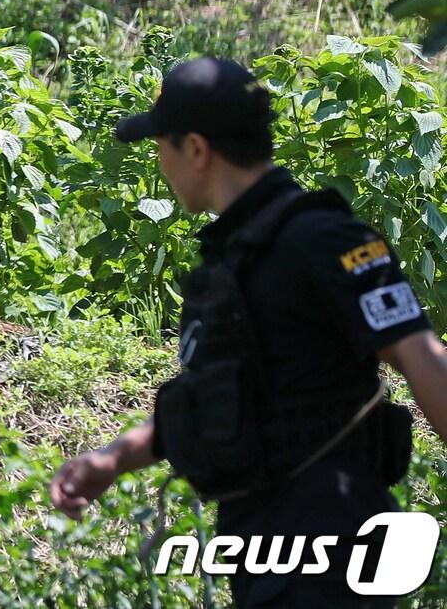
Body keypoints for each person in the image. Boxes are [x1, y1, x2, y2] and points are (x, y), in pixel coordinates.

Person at [48, 57, 447, 607]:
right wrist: (113, 459)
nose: (159, 161)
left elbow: (419, 354)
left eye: (162, 145)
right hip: (267, 553)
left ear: (195, 149)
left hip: (333, 547)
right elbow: (217, 399)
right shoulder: (231, 260)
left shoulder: (322, 237)